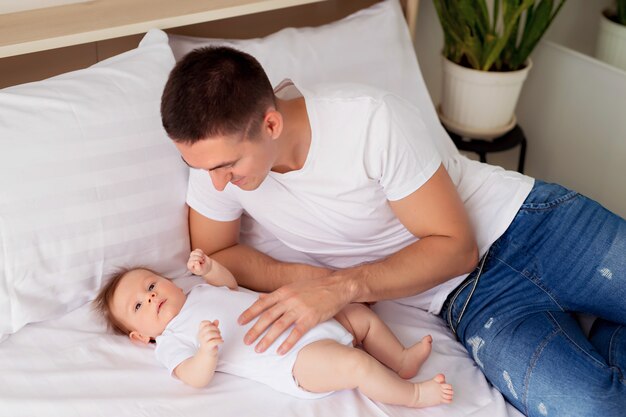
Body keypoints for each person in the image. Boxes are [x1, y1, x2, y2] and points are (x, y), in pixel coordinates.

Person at [160, 45, 626, 416]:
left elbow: (456, 248)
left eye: (227, 166)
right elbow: (216, 250)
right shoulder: (214, 167)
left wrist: (339, 286)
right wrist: (304, 280)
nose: (216, 182)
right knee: (596, 408)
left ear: (271, 123)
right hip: (469, 299)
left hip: (533, 224)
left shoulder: (368, 121)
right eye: (201, 168)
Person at [93, 249, 453, 408]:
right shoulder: (169, 342)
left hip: (304, 320)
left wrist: (210, 268)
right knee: (355, 365)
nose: (151, 296)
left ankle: (401, 358)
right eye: (139, 305)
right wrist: (205, 352)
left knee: (359, 315)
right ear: (141, 336)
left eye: (152, 285)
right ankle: (414, 396)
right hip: (293, 359)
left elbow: (231, 287)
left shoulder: (199, 291)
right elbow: (193, 376)